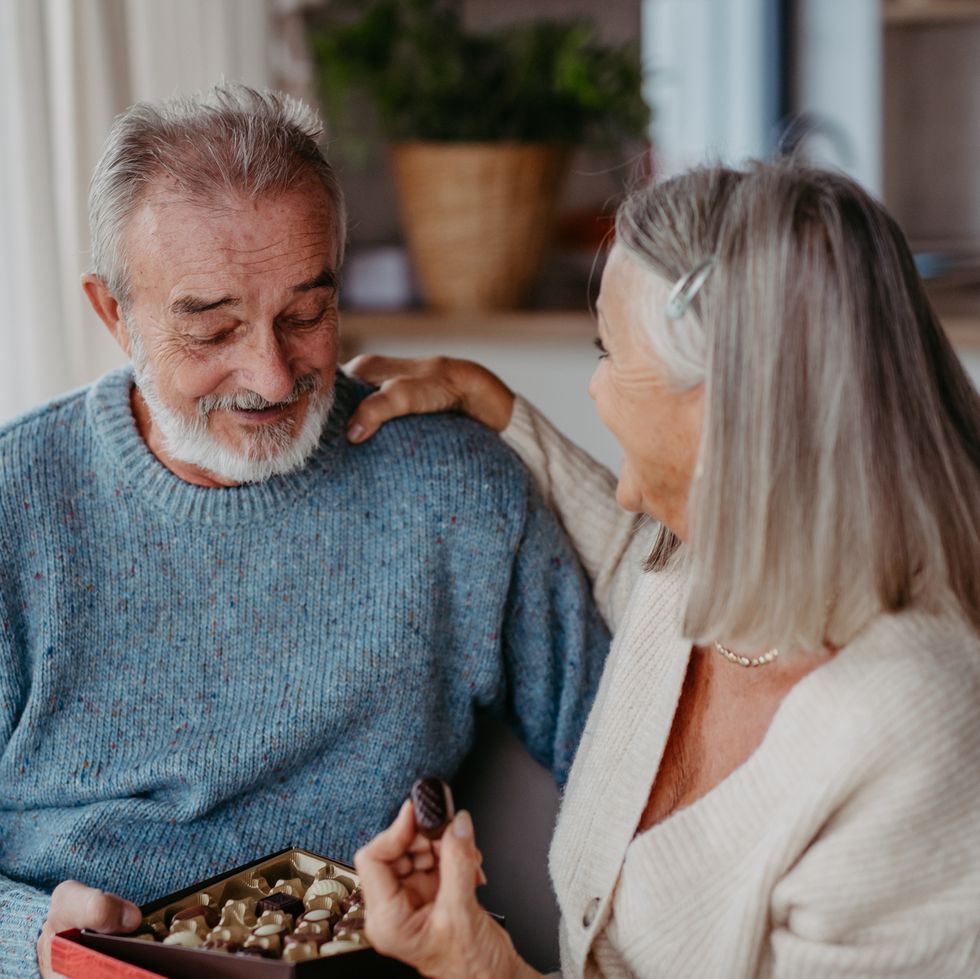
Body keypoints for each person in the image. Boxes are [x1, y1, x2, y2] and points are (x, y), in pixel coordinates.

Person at [0, 85, 610, 978]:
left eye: (306, 314)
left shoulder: (450, 488)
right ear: (113, 314)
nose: (271, 372)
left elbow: (631, 748)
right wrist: (35, 947)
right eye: (211, 328)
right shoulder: (18, 503)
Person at [351, 161, 980, 978]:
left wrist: (480, 971)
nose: (593, 382)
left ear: (728, 411)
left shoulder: (912, 731)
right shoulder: (708, 562)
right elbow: (632, 564)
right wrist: (492, 405)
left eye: (607, 349)